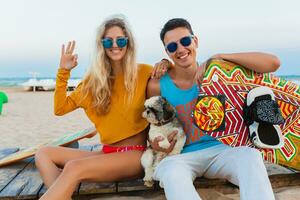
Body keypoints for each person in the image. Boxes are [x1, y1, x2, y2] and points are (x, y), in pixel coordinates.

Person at [147, 18, 280, 200]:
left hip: (221, 151)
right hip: (179, 157)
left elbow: (273, 63)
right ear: (167, 52)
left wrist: (220, 56)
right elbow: (151, 124)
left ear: (196, 41)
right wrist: (154, 144)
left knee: (250, 156)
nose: (180, 49)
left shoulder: (217, 72)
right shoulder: (158, 84)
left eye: (185, 41)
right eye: (172, 47)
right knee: (171, 173)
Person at [35, 16, 167, 200]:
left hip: (135, 156)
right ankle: (62, 193)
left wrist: (165, 62)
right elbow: (60, 108)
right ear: (101, 44)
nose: (115, 45)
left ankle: (60, 191)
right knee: (43, 153)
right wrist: (63, 71)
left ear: (128, 43)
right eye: (108, 41)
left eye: (120, 40)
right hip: (107, 153)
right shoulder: (93, 82)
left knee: (73, 168)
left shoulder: (143, 72)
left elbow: (177, 77)